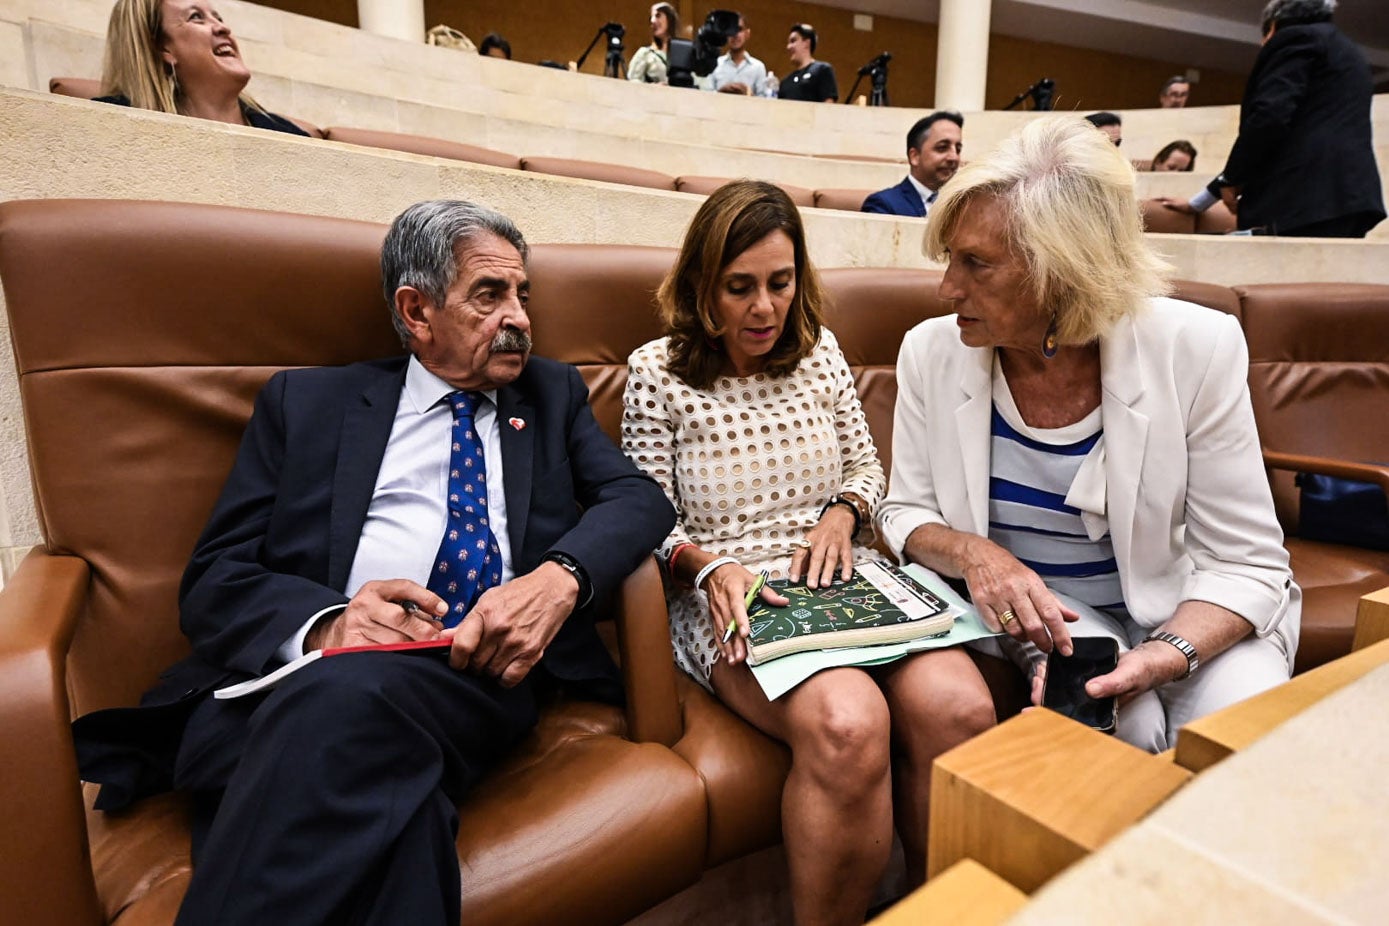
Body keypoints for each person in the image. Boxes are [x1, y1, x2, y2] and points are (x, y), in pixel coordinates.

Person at [72, 200, 676, 924]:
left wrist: (557, 579)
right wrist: (330, 625)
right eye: (490, 295)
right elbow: (215, 579)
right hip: (299, 682)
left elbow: (637, 499)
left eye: (522, 294)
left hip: (471, 673)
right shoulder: (309, 405)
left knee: (346, 703)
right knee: (397, 809)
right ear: (416, 312)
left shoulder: (548, 395)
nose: (518, 315)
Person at [621, 180, 994, 923]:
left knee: (962, 708)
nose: (764, 308)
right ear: (701, 285)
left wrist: (841, 514)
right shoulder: (655, 371)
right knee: (846, 724)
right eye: (739, 287)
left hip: (845, 569)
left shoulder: (818, 352)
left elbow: (864, 467)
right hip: (731, 589)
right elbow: (639, 517)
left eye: (780, 283)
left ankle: (934, 910)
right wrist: (708, 566)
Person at [878, 115, 1300, 753]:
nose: (947, 288)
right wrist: (976, 554)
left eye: (976, 264)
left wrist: (1163, 656)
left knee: (1248, 744)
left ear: (1061, 271)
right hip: (1056, 623)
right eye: (948, 259)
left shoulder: (1196, 347)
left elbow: (1247, 562)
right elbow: (905, 512)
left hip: (1192, 608)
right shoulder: (930, 353)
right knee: (1117, 739)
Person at [1157, 0, 1384, 238]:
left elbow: (1270, 118)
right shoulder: (1350, 52)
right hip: (1349, 200)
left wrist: (1231, 179)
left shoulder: (1295, 38)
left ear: (1273, 26)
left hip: (1303, 198)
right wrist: (1199, 202)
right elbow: (1291, 134)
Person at [97, 0, 307, 135]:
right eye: (196, 17)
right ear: (162, 48)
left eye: (218, 17)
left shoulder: (290, 135)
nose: (223, 27)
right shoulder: (106, 125)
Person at [862, 111, 964, 218]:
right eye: (942, 148)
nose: (954, 157)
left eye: (958, 149)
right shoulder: (884, 205)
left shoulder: (961, 205)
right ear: (914, 156)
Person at [707, 14, 768, 95]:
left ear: (747, 33)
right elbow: (706, 98)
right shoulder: (715, 64)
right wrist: (721, 92)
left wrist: (747, 93)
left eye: (739, 29)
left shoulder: (758, 67)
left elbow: (763, 102)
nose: (735, 34)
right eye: (731, 30)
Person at [778, 23, 837, 103]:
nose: (788, 47)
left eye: (793, 41)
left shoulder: (822, 70)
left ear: (806, 43)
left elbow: (828, 105)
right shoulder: (785, 82)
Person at [629, 2, 678, 85]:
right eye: (651, 17)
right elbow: (632, 83)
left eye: (658, 15)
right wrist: (652, 87)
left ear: (670, 19)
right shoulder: (645, 54)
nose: (652, 21)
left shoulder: (683, 54)